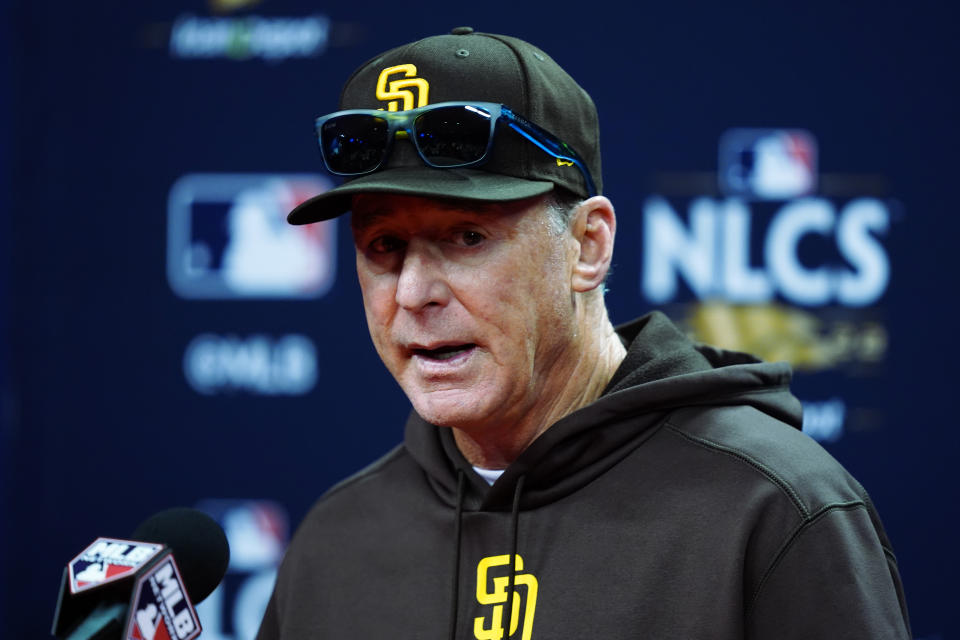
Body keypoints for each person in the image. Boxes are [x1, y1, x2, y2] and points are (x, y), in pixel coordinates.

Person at [256, 28, 911, 639]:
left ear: (588, 245)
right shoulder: (334, 542)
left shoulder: (775, 508)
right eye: (384, 244)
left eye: (468, 237)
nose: (413, 292)